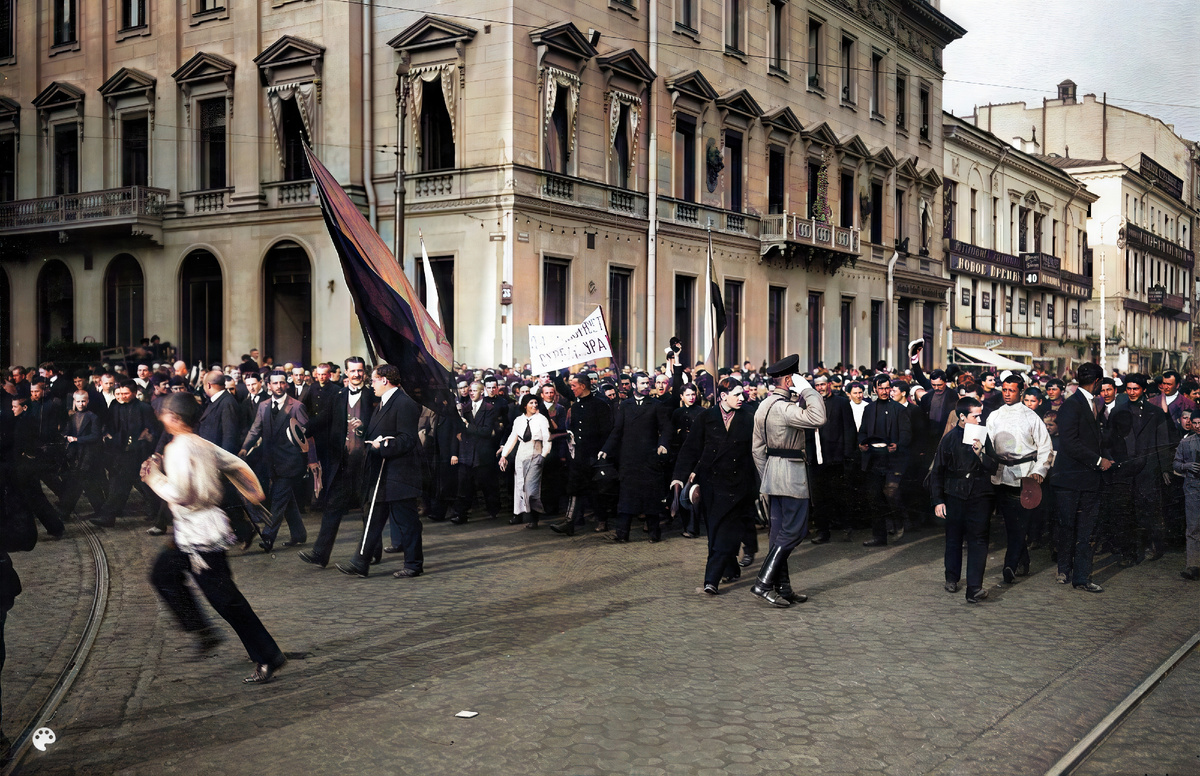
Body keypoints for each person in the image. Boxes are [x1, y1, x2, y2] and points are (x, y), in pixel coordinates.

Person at [142, 392, 288, 684]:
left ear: (175, 418)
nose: (162, 418)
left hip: (200, 534)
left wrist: (154, 477)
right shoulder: (201, 443)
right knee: (163, 573)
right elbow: (236, 464)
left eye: (165, 414)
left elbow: (182, 494)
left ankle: (267, 655)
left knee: (226, 601)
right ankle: (203, 631)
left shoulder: (179, 448)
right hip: (193, 532)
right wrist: (255, 493)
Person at [750, 355, 827, 608]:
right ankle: (763, 583)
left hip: (773, 475)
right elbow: (818, 418)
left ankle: (782, 587)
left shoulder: (763, 406)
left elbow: (757, 450)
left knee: (779, 533)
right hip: (792, 475)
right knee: (795, 530)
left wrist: (767, 478)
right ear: (787, 379)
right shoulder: (786, 408)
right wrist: (807, 389)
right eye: (795, 377)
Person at [335, 364, 423, 579]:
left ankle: (413, 564)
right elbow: (383, 431)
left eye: (373, 380)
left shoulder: (404, 403)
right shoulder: (384, 402)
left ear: (384, 380)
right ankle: (360, 563)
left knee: (406, 521)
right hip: (382, 473)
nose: (370, 384)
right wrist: (364, 430)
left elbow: (407, 439)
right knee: (373, 518)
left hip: (399, 474)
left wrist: (383, 446)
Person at [672, 377, 758, 596]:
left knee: (726, 532)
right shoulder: (706, 418)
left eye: (742, 394)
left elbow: (756, 453)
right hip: (711, 483)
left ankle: (711, 579)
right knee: (715, 530)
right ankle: (730, 568)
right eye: (737, 394)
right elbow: (690, 449)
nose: (741, 398)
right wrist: (679, 477)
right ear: (722, 396)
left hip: (739, 485)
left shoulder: (748, 418)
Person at [238, 371, 320, 552]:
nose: (279, 386)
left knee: (278, 499)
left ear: (286, 385)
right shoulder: (264, 406)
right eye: (275, 383)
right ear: (269, 386)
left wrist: (312, 460)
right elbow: (255, 429)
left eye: (282, 383)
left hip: (291, 462)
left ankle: (268, 538)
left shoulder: (296, 406)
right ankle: (299, 534)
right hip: (271, 462)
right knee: (286, 498)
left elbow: (308, 436)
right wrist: (245, 448)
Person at [985, 373, 1053, 584]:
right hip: (1001, 474)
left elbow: (1045, 448)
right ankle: (1022, 560)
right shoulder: (994, 416)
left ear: (1021, 391)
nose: (1007, 394)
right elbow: (987, 445)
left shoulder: (1031, 417)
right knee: (1010, 523)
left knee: (1020, 523)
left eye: (1011, 390)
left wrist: (1039, 472)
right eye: (1004, 390)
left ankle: (1010, 565)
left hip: (1025, 475)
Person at [929, 397, 999, 603]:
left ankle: (974, 588)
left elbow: (994, 466)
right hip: (954, 495)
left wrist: (981, 455)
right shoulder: (949, 439)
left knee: (979, 540)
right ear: (961, 417)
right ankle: (951, 578)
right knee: (953, 538)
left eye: (980, 415)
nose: (979, 419)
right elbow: (937, 472)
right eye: (975, 415)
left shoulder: (984, 437)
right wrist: (938, 500)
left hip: (980, 495)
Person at [1051, 362, 1112, 593]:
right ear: (1097, 382)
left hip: (1087, 479)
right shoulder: (1073, 405)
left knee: (1086, 530)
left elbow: (1092, 440)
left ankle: (1081, 577)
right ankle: (1065, 569)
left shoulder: (1090, 404)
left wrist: (1104, 458)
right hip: (1070, 479)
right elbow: (1070, 442)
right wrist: (1098, 461)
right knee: (1069, 527)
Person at [601, 372, 672, 543]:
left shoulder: (656, 405)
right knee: (626, 498)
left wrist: (663, 444)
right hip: (629, 459)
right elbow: (617, 430)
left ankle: (655, 534)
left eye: (648, 383)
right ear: (634, 385)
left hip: (649, 458)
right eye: (642, 383)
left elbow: (667, 428)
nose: (646, 386)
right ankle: (622, 534)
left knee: (651, 498)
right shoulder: (625, 405)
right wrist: (606, 449)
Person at [858, 375, 912, 546]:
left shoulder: (899, 409)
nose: (884, 391)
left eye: (887, 388)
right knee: (874, 498)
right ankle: (879, 537)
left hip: (892, 460)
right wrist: (861, 444)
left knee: (891, 493)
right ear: (874, 389)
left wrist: (898, 445)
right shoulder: (869, 409)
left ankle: (900, 523)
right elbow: (862, 432)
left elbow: (906, 434)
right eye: (880, 388)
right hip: (873, 459)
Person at [499, 393, 551, 527]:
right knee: (519, 485)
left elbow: (547, 439)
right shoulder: (518, 420)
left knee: (531, 488)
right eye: (531, 403)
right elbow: (512, 438)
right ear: (525, 406)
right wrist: (504, 455)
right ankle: (518, 514)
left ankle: (534, 517)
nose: (534, 405)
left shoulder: (542, 419)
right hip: (521, 454)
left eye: (535, 403)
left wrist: (543, 455)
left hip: (536, 453)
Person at [1171, 427, 1200, 581]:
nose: (1198, 425)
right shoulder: (1186, 442)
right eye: (1195, 423)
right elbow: (1176, 463)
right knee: (1193, 527)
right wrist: (1186, 466)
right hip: (1192, 488)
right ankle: (1193, 566)